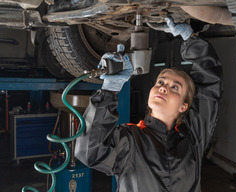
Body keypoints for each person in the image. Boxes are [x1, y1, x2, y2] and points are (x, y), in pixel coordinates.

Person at [75, 17, 223, 192]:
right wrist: (109, 91)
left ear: (184, 106)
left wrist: (190, 39)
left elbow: (210, 85)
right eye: (160, 82)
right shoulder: (129, 140)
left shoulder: (192, 139)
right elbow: (88, 153)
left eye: (175, 87)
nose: (163, 88)